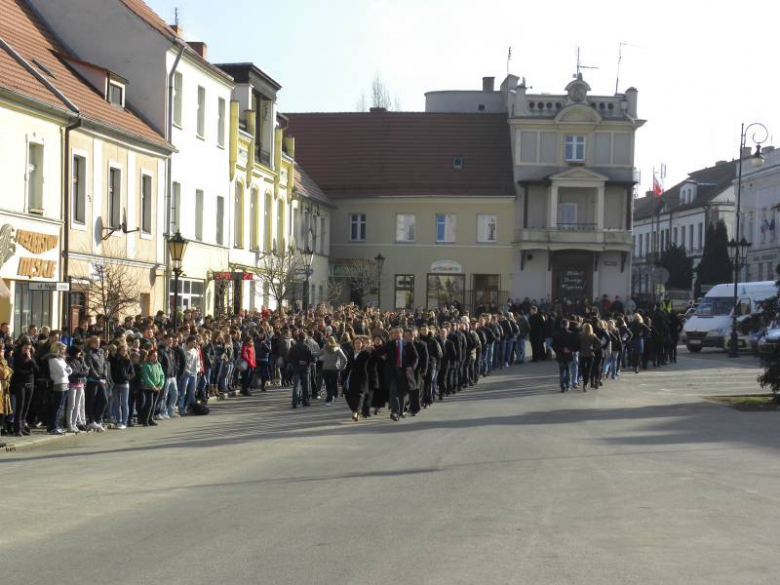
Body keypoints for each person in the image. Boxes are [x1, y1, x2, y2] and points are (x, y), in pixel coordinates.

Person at [379, 327, 418, 421]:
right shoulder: (389, 344)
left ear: (402, 333)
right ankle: (395, 412)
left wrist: (411, 366)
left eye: (397, 333)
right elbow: (379, 352)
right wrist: (371, 350)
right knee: (393, 392)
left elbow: (415, 357)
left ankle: (400, 412)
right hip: (393, 372)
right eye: (393, 333)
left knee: (402, 393)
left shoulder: (408, 344)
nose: (395, 335)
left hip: (404, 372)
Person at [10, 340, 38, 436]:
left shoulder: (31, 357)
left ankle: (22, 426)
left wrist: (30, 360)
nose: (27, 350)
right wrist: (28, 370)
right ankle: (17, 428)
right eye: (25, 348)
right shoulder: (17, 357)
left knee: (26, 406)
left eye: (29, 349)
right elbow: (18, 371)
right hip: (20, 383)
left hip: (30, 383)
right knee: (20, 405)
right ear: (21, 348)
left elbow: (36, 369)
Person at [84, 336, 109, 432]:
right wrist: (98, 378)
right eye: (95, 342)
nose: (97, 344)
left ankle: (98, 420)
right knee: (92, 401)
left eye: (98, 342)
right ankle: (91, 420)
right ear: (90, 343)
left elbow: (104, 365)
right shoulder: (88, 353)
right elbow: (90, 367)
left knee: (104, 400)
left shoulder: (101, 352)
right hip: (92, 380)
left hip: (101, 380)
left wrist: (104, 376)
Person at [46, 342, 72, 435]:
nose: (63, 351)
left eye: (64, 349)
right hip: (59, 383)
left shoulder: (62, 359)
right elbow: (62, 372)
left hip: (65, 382)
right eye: (62, 349)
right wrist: (67, 370)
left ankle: (58, 425)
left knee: (61, 406)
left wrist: (67, 370)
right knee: (57, 406)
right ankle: (53, 426)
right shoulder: (53, 360)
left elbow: (70, 371)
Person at [343, 336, 370, 421]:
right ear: (353, 344)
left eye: (359, 343)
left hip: (361, 377)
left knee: (359, 395)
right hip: (351, 378)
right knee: (348, 395)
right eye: (356, 343)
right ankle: (356, 411)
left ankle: (355, 412)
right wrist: (343, 376)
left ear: (362, 344)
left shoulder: (365, 354)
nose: (357, 344)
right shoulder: (351, 354)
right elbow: (348, 366)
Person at [109, 344, 134, 429]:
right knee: (116, 403)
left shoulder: (128, 360)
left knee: (124, 403)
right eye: (122, 350)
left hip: (125, 384)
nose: (124, 352)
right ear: (119, 351)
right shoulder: (115, 359)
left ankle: (124, 422)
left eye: (125, 350)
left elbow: (132, 373)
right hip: (115, 384)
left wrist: (126, 377)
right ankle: (118, 421)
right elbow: (110, 362)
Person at [139, 350, 164, 426]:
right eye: (153, 355)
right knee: (149, 404)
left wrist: (160, 385)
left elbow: (162, 375)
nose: (155, 357)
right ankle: (145, 419)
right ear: (149, 356)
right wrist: (152, 386)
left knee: (154, 404)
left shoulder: (158, 365)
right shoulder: (145, 365)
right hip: (148, 388)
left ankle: (150, 419)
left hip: (157, 388)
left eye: (156, 356)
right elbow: (145, 377)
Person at [289, 331, 314, 408]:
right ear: (305, 338)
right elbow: (311, 358)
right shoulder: (307, 347)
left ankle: (294, 402)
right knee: (305, 386)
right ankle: (305, 401)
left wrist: (297, 361)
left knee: (296, 385)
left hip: (296, 367)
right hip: (305, 368)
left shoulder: (293, 347)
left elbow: (289, 358)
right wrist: (306, 362)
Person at [551, 319, 577, 392]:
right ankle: (568, 385)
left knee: (562, 371)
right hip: (569, 354)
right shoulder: (571, 334)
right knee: (568, 370)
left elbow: (553, 345)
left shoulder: (556, 334)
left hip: (560, 354)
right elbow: (574, 345)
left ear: (561, 325)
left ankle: (562, 386)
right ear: (568, 325)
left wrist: (561, 349)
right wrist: (570, 349)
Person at [320, 336, 347, 406]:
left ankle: (330, 397)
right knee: (333, 383)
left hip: (325, 369)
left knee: (328, 384)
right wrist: (341, 367)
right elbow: (345, 359)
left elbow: (317, 354)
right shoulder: (338, 349)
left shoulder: (325, 348)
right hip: (335, 369)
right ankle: (333, 395)